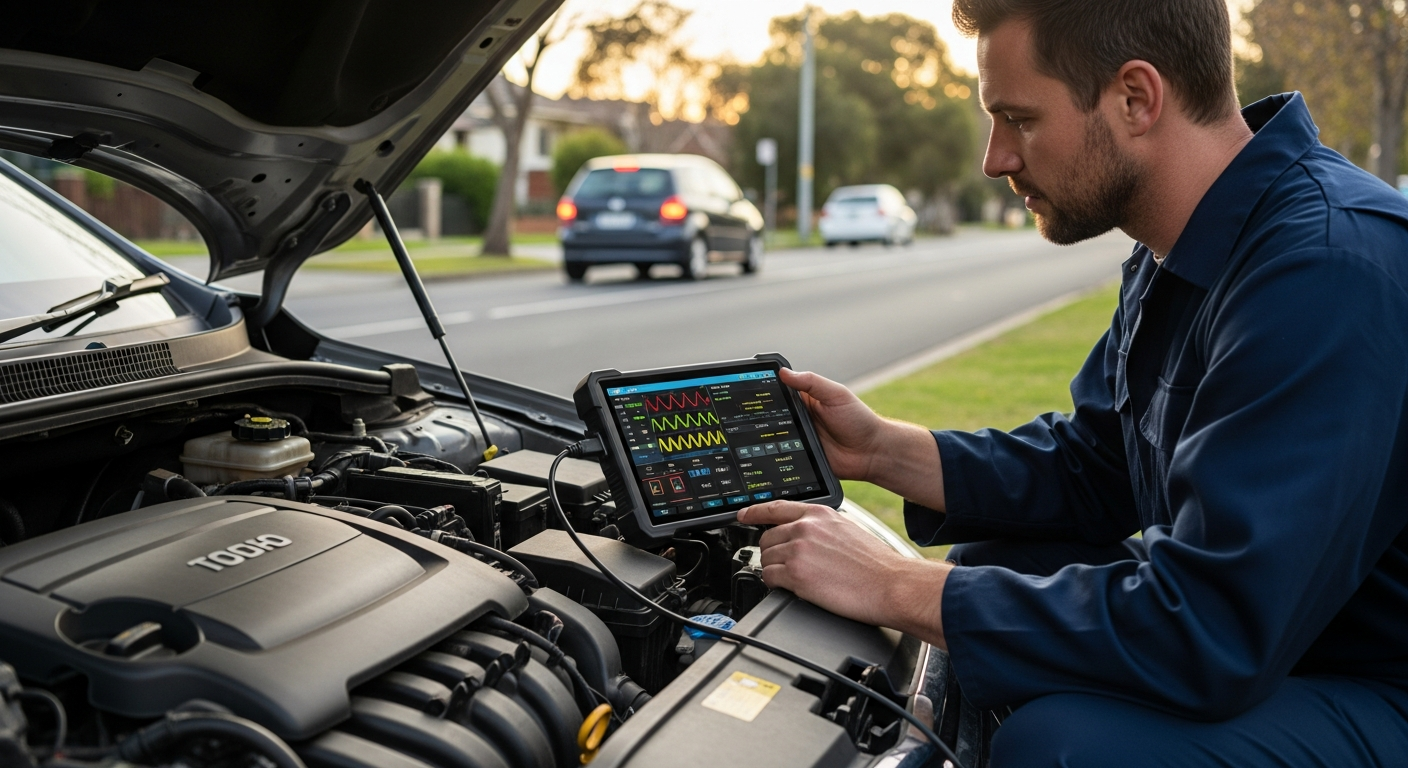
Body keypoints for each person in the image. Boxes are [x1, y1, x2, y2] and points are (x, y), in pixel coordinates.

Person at [737, 0, 1408, 764]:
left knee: (1062, 748)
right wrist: (884, 451)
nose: (996, 158)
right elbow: (1097, 467)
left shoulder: (1325, 270)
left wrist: (891, 584)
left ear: (1135, 98)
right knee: (988, 564)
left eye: (1017, 118)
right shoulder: (1182, 246)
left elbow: (1214, 630)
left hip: (1373, 680)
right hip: (1288, 640)